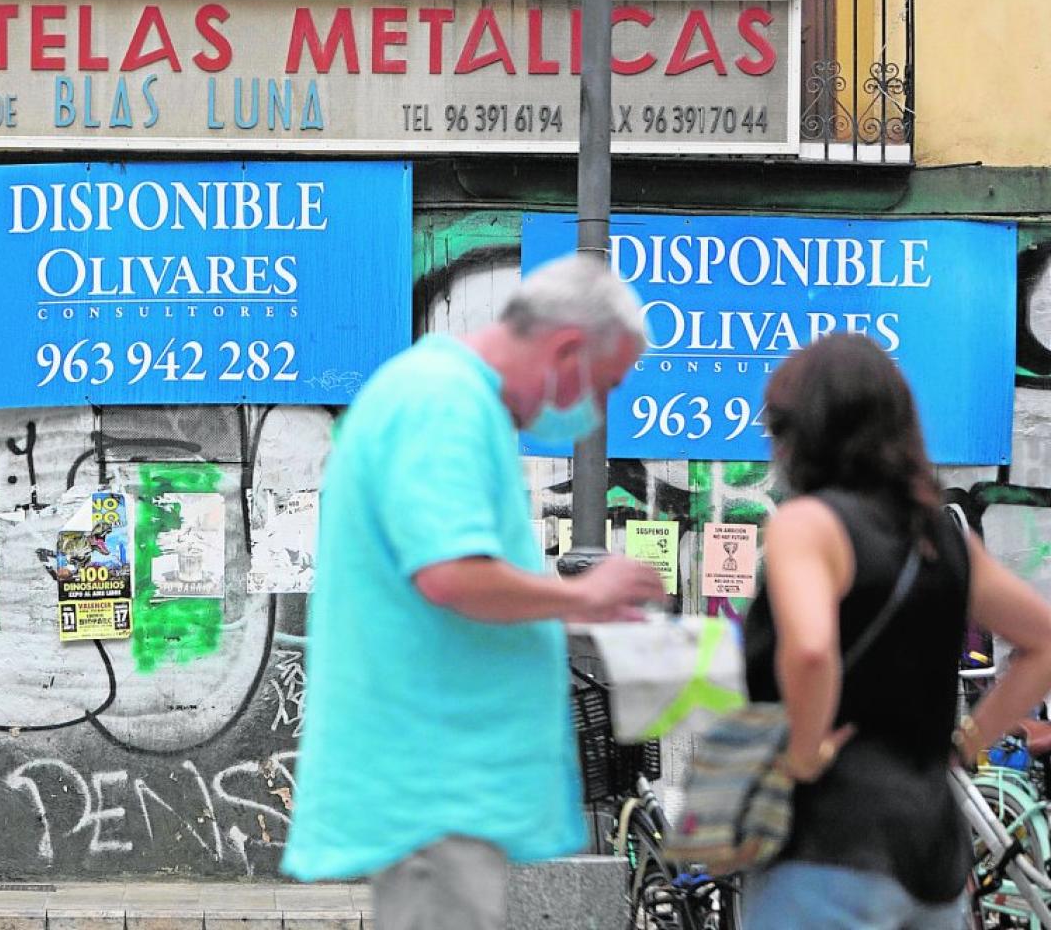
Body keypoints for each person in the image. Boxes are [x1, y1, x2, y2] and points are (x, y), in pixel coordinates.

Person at [284, 253, 667, 930]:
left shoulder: (452, 400)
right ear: (567, 348)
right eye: (603, 385)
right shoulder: (443, 402)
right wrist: (582, 597)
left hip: (446, 781)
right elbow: (451, 574)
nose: (598, 410)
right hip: (435, 782)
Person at [741, 333, 1051, 928]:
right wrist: (968, 742)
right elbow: (1041, 641)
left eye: (778, 426)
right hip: (931, 858)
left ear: (806, 432)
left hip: (824, 848)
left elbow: (810, 650)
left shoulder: (808, 525)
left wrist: (804, 757)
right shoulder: (943, 537)